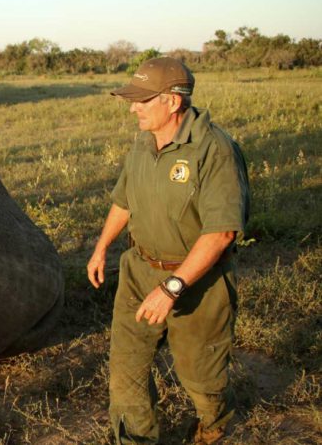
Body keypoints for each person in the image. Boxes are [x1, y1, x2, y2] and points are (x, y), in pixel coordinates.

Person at [86, 57, 250, 444]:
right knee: (126, 372)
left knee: (202, 376)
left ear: (173, 102)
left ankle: (213, 424)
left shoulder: (215, 150)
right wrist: (101, 247)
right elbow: (124, 201)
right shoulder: (144, 142)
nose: (132, 108)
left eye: (143, 100)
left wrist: (172, 287)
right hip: (138, 271)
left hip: (199, 283)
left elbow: (222, 233)